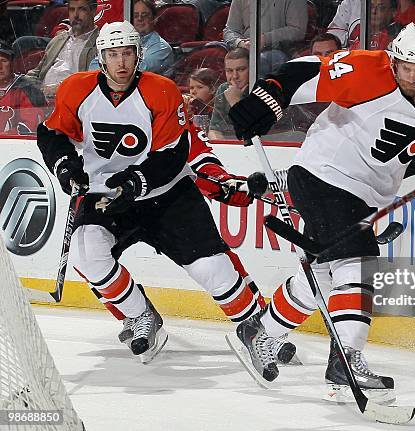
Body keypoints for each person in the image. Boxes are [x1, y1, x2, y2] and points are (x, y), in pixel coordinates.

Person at [226, 23, 415, 402]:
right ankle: (346, 361)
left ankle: (260, 331)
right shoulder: (366, 69)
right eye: (405, 67)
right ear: (393, 60)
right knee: (358, 263)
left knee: (327, 276)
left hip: (367, 195)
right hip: (320, 173)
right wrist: (268, 100)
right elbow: (302, 71)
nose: (411, 76)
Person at [36, 21, 296, 364]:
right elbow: (52, 134)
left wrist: (135, 182)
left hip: (166, 194)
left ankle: (257, 329)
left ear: (138, 54)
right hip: (105, 195)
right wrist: (66, 167)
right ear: (101, 57)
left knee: (212, 269)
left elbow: (174, 154)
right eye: (113, 54)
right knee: (89, 256)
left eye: (127, 53)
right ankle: (139, 314)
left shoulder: (161, 91)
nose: (121, 62)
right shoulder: (76, 89)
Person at [26, 0, 99, 100]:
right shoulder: (58, 39)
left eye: (82, 9)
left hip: (73, 100)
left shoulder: (99, 43)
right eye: (72, 10)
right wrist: (21, 80)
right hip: (42, 99)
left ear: (93, 11)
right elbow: (38, 71)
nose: (76, 15)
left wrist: (60, 88)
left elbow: (93, 82)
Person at [89, 0, 174, 76]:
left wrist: (109, 63)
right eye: (136, 15)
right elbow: (93, 66)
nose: (140, 19)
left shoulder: (161, 48)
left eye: (145, 15)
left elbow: (135, 71)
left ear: (154, 19)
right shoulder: (122, 39)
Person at [222, 0, 307, 74]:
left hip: (278, 50)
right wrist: (240, 43)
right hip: (245, 47)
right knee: (230, 62)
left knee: (259, 62)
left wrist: (265, 39)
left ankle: (255, 91)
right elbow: (230, 30)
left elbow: (298, 30)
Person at [0, 40, 46, 134]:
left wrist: (7, 135)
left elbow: (31, 127)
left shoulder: (28, 89)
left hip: (16, 145)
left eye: (4, 61)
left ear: (12, 64)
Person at [327, 0, 403, 50]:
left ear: (393, 12)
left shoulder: (399, 35)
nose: (374, 11)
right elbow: (330, 40)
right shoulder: (359, 28)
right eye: (371, 6)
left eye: (380, 8)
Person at [208, 48, 249, 140]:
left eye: (241, 69)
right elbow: (214, 130)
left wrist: (235, 102)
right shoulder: (223, 89)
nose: (235, 76)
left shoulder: (261, 89)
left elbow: (253, 132)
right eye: (229, 71)